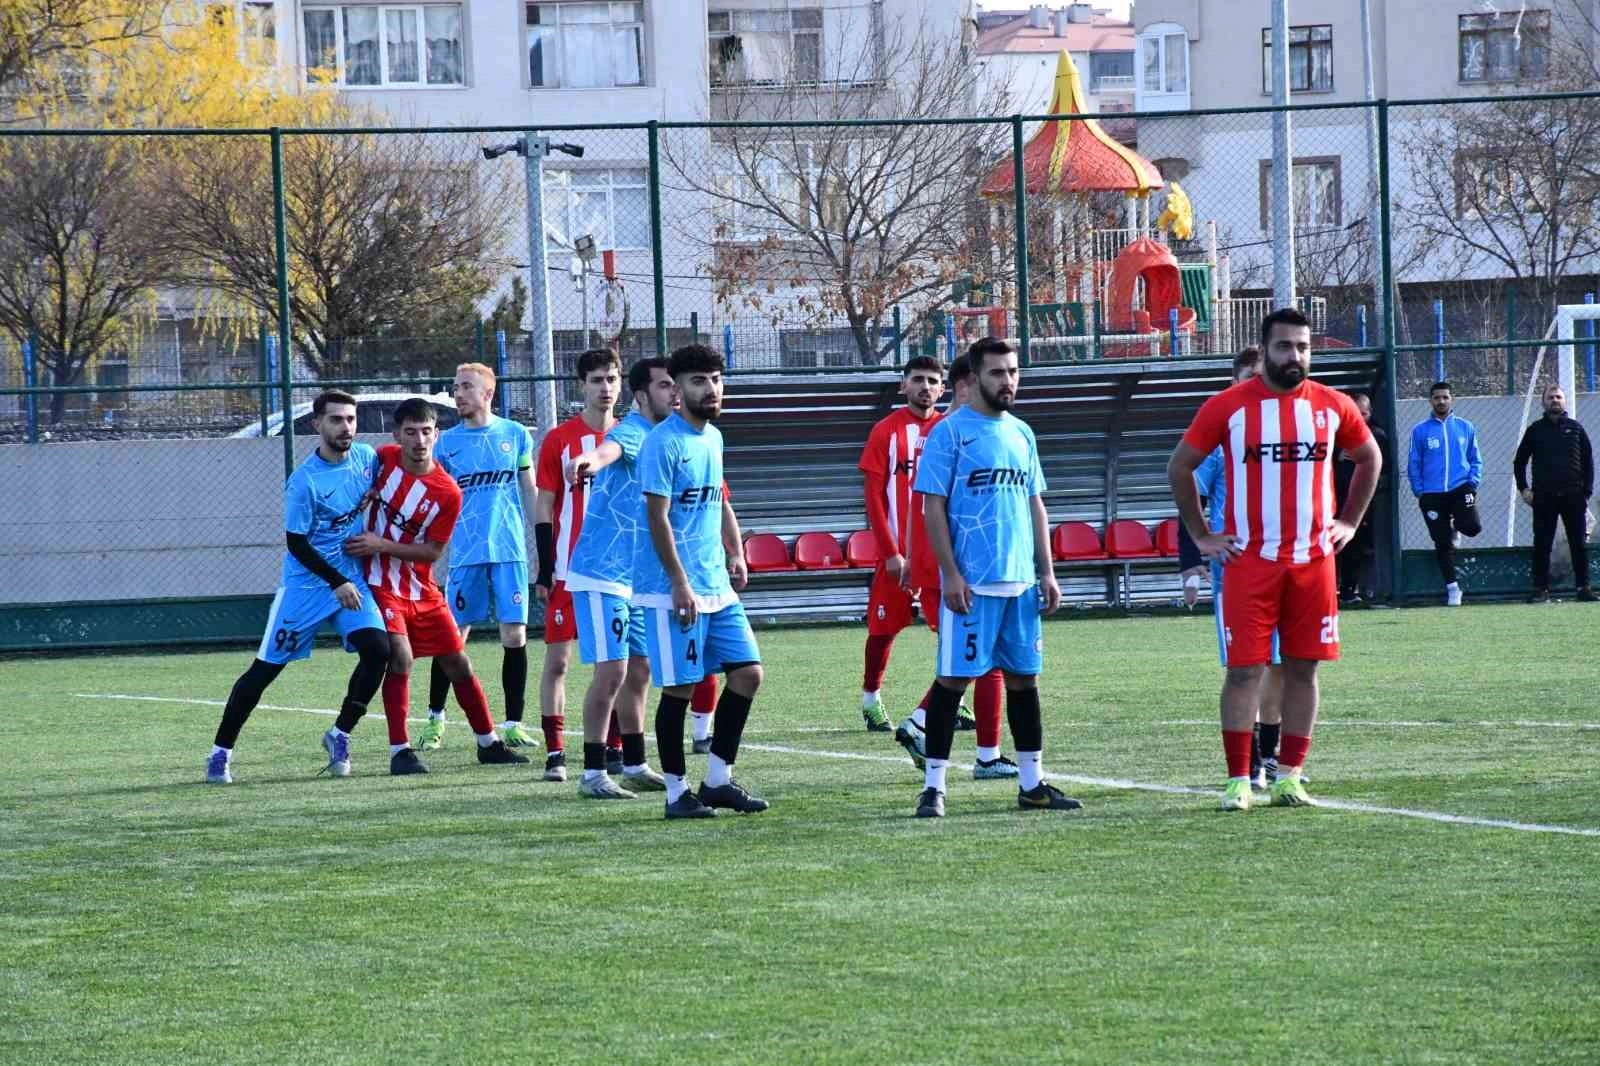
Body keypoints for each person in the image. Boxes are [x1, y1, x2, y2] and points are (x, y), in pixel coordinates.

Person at [1168, 307, 1382, 812]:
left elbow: (1369, 457)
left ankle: (1289, 778)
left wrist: (1349, 522)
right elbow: (1180, 467)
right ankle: (1238, 781)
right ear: (1265, 350)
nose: (1295, 355)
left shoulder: (1332, 405)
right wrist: (1201, 536)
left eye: (1303, 347)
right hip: (1249, 564)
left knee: (1304, 670)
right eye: (1285, 346)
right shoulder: (1228, 407)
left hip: (1313, 563)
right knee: (1244, 672)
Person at [911, 337, 1079, 818]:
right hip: (972, 585)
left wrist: (1046, 571)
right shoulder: (949, 433)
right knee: (952, 682)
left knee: (1024, 681)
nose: (1008, 381)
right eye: (998, 373)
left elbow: (1035, 504)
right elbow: (933, 507)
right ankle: (933, 788)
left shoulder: (1022, 433)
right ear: (974, 379)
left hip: (1021, 584)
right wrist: (950, 573)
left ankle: (1032, 785)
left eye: (1013, 372)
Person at [206, 391, 391, 783]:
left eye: (351, 419)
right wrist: (336, 580)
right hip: (307, 588)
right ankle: (220, 753)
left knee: (379, 650)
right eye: (336, 420)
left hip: (352, 581)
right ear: (317, 424)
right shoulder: (304, 482)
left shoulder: (366, 459)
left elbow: (396, 474)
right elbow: (296, 543)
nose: (346, 427)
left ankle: (340, 734)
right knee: (265, 671)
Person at [347, 399, 529, 774]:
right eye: (410, 432)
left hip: (422, 587)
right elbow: (352, 485)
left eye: (426, 432)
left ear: (436, 435)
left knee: (458, 661)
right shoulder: (383, 460)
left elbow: (432, 552)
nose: (419, 440)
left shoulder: (448, 491)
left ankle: (488, 743)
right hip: (380, 582)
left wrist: (381, 544)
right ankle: (400, 751)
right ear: (397, 435)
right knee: (401, 656)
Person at [635, 344, 768, 820]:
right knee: (681, 688)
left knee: (748, 674)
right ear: (676, 389)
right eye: (698, 381)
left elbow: (720, 499)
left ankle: (717, 781)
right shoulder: (662, 443)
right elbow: (657, 518)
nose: (710, 389)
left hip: (716, 585)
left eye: (715, 379)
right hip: (673, 588)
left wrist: (735, 551)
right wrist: (678, 582)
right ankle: (676, 794)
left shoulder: (713, 437)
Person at [560, 357, 681, 799]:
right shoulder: (633, 430)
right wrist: (587, 460)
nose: (674, 393)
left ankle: (634, 764)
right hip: (601, 572)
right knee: (613, 671)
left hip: (636, 577)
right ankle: (593, 773)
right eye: (665, 386)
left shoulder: (670, 437)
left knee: (641, 669)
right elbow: (606, 451)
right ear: (642, 396)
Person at [889, 352, 1014, 779]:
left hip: (939, 564)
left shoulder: (943, 432)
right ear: (966, 386)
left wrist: (911, 556)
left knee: (971, 659)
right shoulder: (952, 434)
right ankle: (972, 749)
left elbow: (918, 504)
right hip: (954, 567)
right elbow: (929, 507)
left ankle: (969, 747)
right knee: (981, 660)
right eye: (988, 377)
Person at [1175, 347, 1287, 789]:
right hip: (1237, 571)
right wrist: (1191, 563)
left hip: (1287, 566)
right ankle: (1251, 762)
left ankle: (1270, 755)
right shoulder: (1218, 440)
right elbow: (1190, 495)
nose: (1256, 386)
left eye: (1262, 377)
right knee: (1247, 666)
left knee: (1283, 665)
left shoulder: (1288, 433)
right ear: (1233, 384)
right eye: (1247, 379)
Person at [424, 363, 537, 754]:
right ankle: (435, 720)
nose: (458, 394)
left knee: (515, 635)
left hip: (509, 550)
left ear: (488, 393)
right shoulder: (445, 445)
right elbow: (435, 498)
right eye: (456, 387)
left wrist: (545, 542)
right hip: (466, 552)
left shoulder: (516, 434)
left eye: (466, 387)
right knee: (452, 638)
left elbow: (530, 490)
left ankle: (513, 725)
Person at [530, 349, 622, 782]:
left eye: (612, 379)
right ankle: (555, 752)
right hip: (568, 571)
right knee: (558, 663)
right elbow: (544, 506)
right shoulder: (559, 440)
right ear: (581, 385)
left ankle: (615, 747)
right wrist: (545, 568)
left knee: (617, 664)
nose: (605, 388)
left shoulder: (630, 438)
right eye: (597, 380)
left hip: (617, 571)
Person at [1513, 384, 1595, 602]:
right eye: (1550, 397)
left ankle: (1583, 588)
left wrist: (1586, 492)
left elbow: (1588, 462)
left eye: (1558, 397)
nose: (1554, 400)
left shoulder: (1576, 428)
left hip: (1573, 496)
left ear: (1564, 401)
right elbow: (1519, 462)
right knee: (1542, 544)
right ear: (1543, 402)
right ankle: (1541, 590)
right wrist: (1524, 489)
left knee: (1578, 544)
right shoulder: (1535, 430)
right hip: (1544, 497)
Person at [1406, 381, 1482, 607]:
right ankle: (1453, 588)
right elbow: (1414, 462)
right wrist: (1419, 491)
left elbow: (1475, 458)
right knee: (1442, 542)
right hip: (1432, 493)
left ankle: (1456, 526)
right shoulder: (1420, 430)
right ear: (1430, 400)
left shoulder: (1465, 427)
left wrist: (1473, 482)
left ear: (1452, 399)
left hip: (1461, 488)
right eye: (1437, 397)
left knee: (1472, 527)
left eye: (1445, 397)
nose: (1441, 401)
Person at [1335, 392, 1388, 604]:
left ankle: (1356, 590)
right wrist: (1337, 457)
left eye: (1363, 413)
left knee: (1360, 546)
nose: (1359, 418)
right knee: (1336, 545)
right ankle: (1335, 590)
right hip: (1335, 500)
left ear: (1370, 413)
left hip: (1365, 504)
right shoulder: (1334, 434)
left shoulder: (1377, 435)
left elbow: (1387, 467)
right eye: (1355, 413)